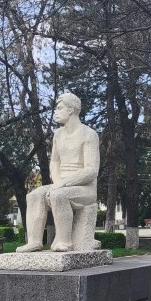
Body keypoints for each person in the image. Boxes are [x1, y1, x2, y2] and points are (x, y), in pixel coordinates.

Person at [16, 93, 100, 252]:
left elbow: (91, 170)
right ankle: (34, 242)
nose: (56, 111)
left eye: (59, 108)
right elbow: (54, 162)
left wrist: (62, 185)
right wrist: (57, 182)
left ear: (71, 110)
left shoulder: (89, 134)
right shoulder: (58, 134)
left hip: (85, 189)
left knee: (58, 196)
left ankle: (65, 242)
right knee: (34, 195)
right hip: (61, 185)